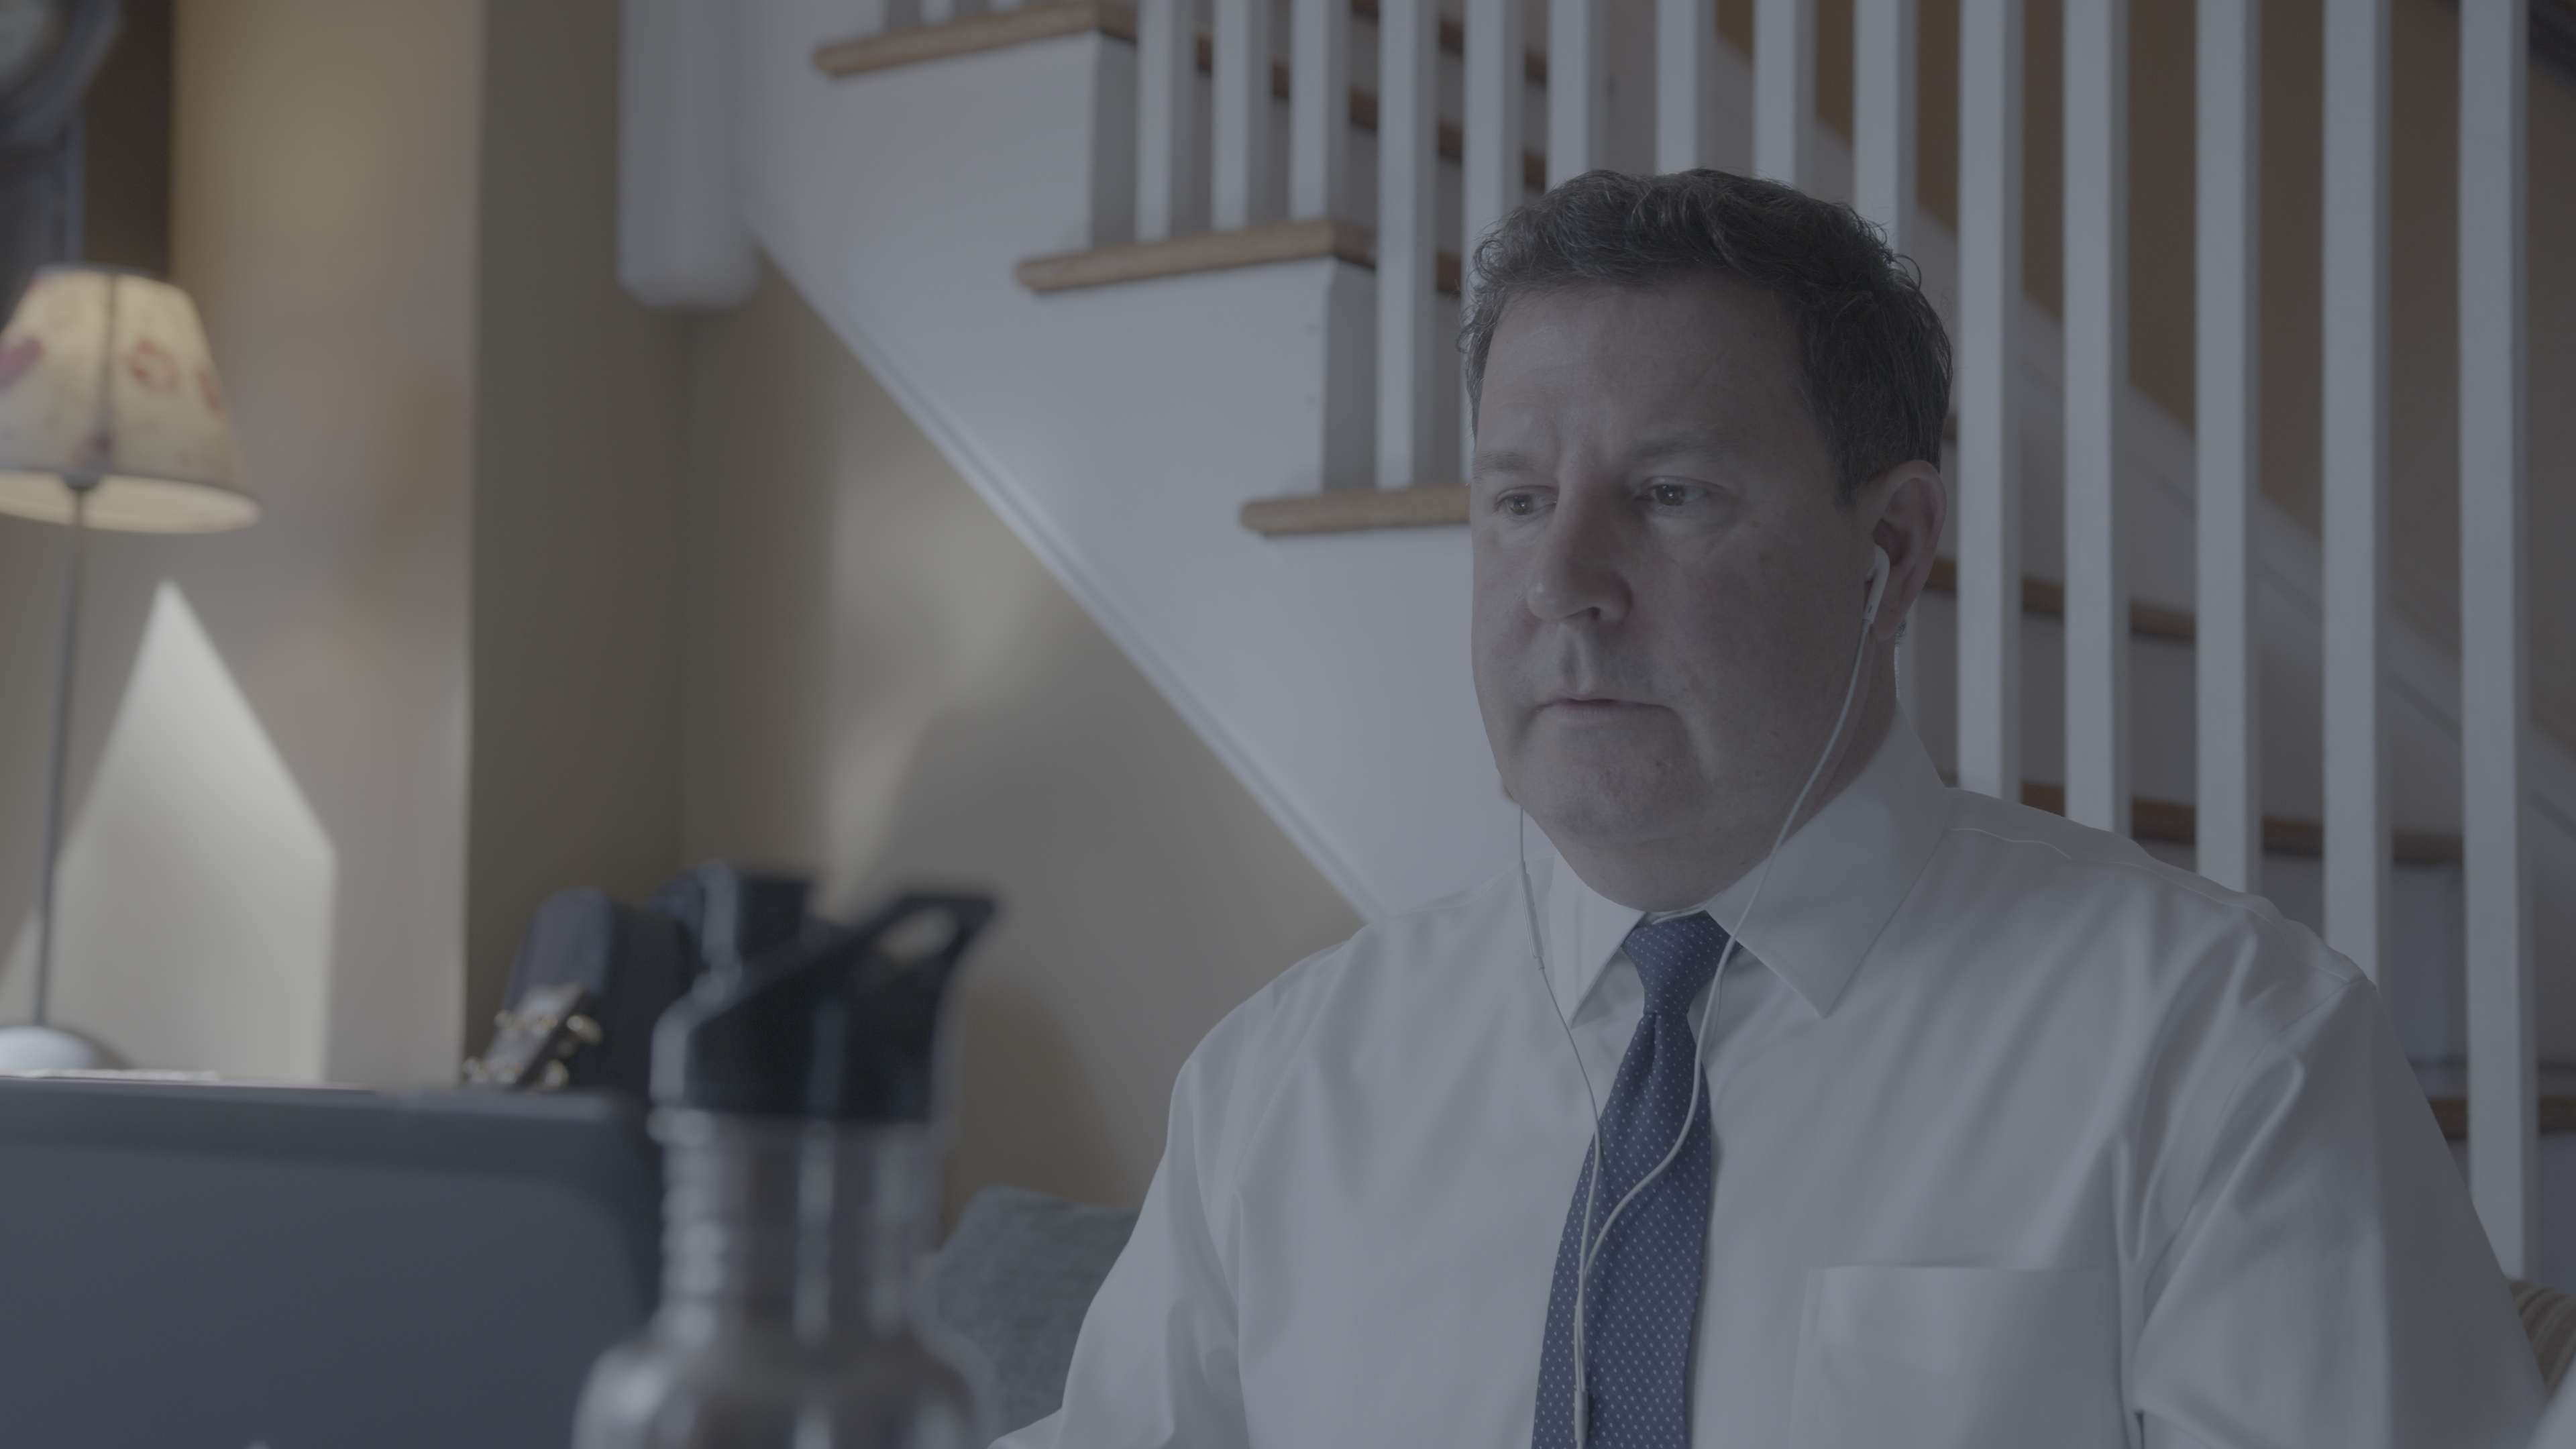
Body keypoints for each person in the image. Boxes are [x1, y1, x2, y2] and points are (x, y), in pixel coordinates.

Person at [998, 170, 2544, 1448]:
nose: (1561, 584)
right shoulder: (1278, 1087)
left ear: (1892, 549)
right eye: (1519, 500)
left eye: (1669, 495)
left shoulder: (2232, 1058)